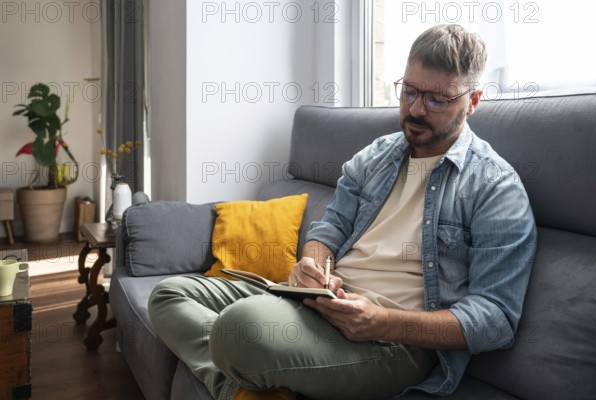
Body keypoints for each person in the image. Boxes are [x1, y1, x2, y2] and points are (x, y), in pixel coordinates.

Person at [148, 24, 537, 399]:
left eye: (438, 99)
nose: (416, 109)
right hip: (323, 303)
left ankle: (244, 363)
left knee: (239, 328)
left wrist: (381, 321)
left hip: (393, 341)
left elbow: (496, 319)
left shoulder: (495, 187)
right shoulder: (377, 155)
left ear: (472, 101)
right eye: (409, 92)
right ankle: (239, 389)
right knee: (169, 294)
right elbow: (329, 229)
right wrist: (312, 265)